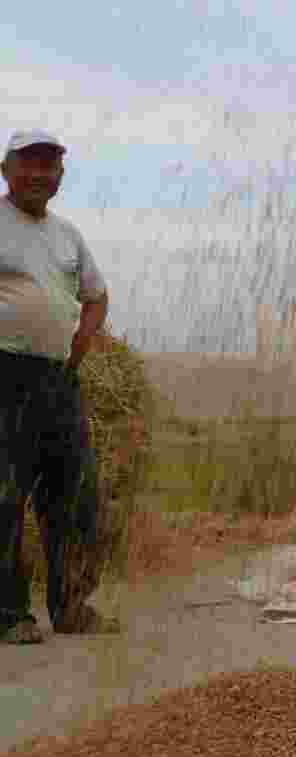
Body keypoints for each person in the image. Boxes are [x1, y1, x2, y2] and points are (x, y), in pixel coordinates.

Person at [1, 129, 115, 643]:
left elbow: (96, 296)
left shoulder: (67, 235)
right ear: (6, 169)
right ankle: (10, 616)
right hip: (4, 372)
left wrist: (79, 349)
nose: (39, 174)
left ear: (60, 178)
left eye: (49, 167)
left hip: (56, 377)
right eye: (29, 163)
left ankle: (70, 606)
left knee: (74, 491)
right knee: (5, 494)